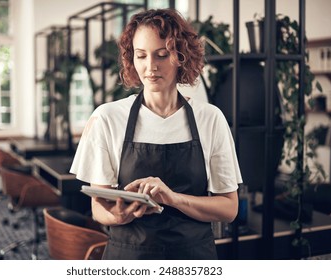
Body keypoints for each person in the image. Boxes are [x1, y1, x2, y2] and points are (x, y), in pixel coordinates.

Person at [70, 8, 242, 260]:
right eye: (141, 56)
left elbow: (229, 208)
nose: (150, 67)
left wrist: (172, 199)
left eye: (162, 55)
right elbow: (98, 206)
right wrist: (120, 215)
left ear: (181, 56)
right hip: (128, 257)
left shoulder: (210, 119)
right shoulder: (107, 118)